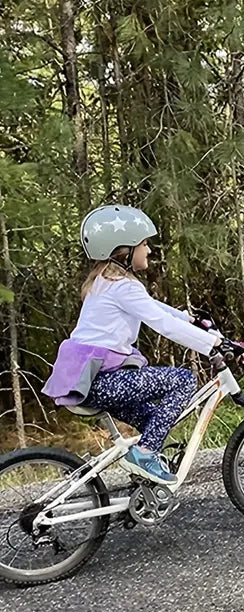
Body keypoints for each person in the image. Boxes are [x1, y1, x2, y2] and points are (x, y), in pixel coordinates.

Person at [43, 204, 233, 485]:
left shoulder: (103, 283)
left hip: (90, 381)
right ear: (125, 251)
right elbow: (162, 324)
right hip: (103, 382)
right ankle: (144, 455)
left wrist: (189, 318)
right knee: (183, 380)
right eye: (144, 244)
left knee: (155, 420)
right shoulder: (124, 287)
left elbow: (153, 308)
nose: (149, 251)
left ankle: (143, 487)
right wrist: (214, 342)